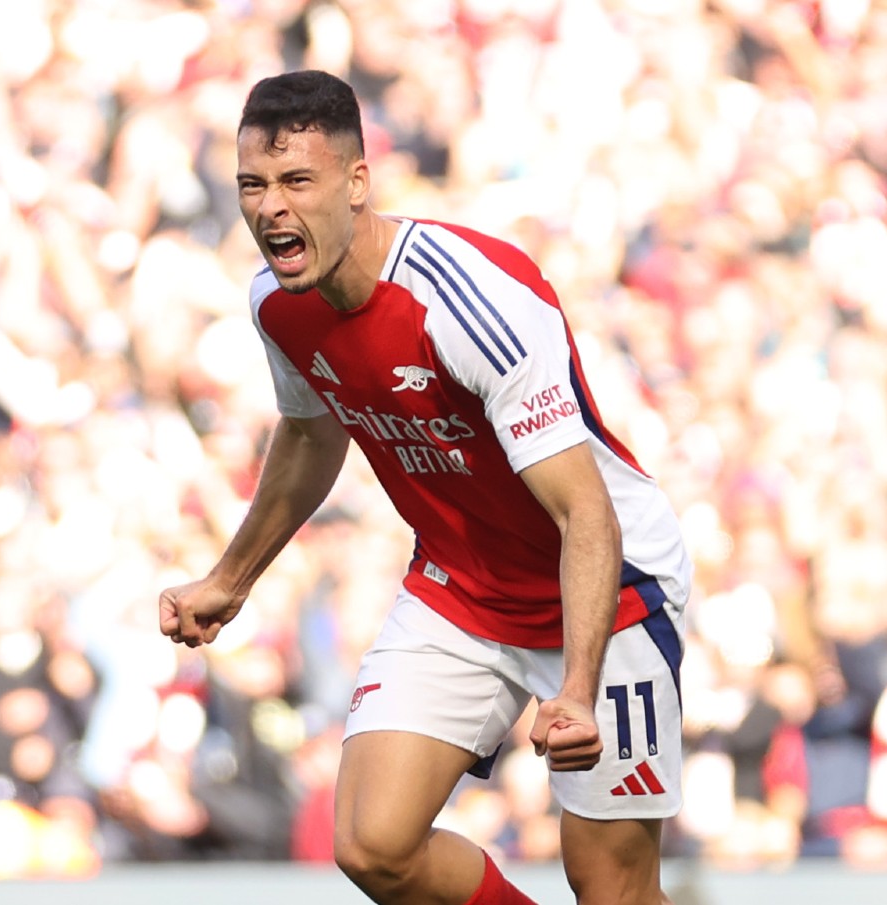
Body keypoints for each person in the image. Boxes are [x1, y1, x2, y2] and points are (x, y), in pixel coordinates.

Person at [159, 69, 693, 905]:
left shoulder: (470, 299)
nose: (270, 208)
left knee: (611, 887)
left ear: (358, 181)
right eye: (253, 186)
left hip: (609, 589)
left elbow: (584, 510)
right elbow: (310, 430)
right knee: (373, 843)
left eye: (297, 181)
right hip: (462, 589)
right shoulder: (277, 303)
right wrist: (231, 578)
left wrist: (578, 691)